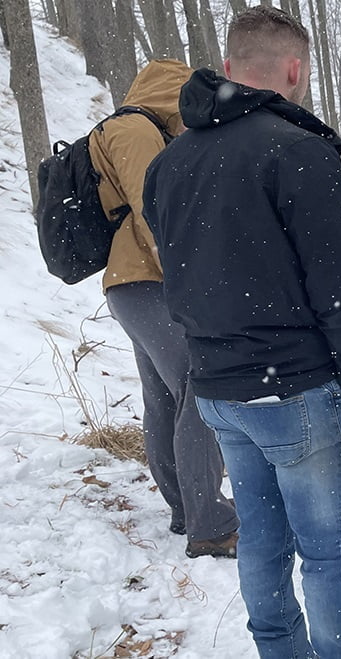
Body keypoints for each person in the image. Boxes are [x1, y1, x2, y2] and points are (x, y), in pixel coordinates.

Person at [142, 7, 341, 658]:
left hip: (222, 394)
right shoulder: (298, 150)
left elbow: (181, 272)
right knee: (329, 552)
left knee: (264, 541)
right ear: (295, 70)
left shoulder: (170, 165)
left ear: (229, 69)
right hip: (295, 391)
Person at [89, 59, 240, 558]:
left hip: (134, 284)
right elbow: (153, 209)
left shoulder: (137, 128)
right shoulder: (133, 130)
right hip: (147, 282)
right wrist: (187, 275)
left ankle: (186, 510)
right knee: (200, 383)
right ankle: (210, 523)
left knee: (166, 396)